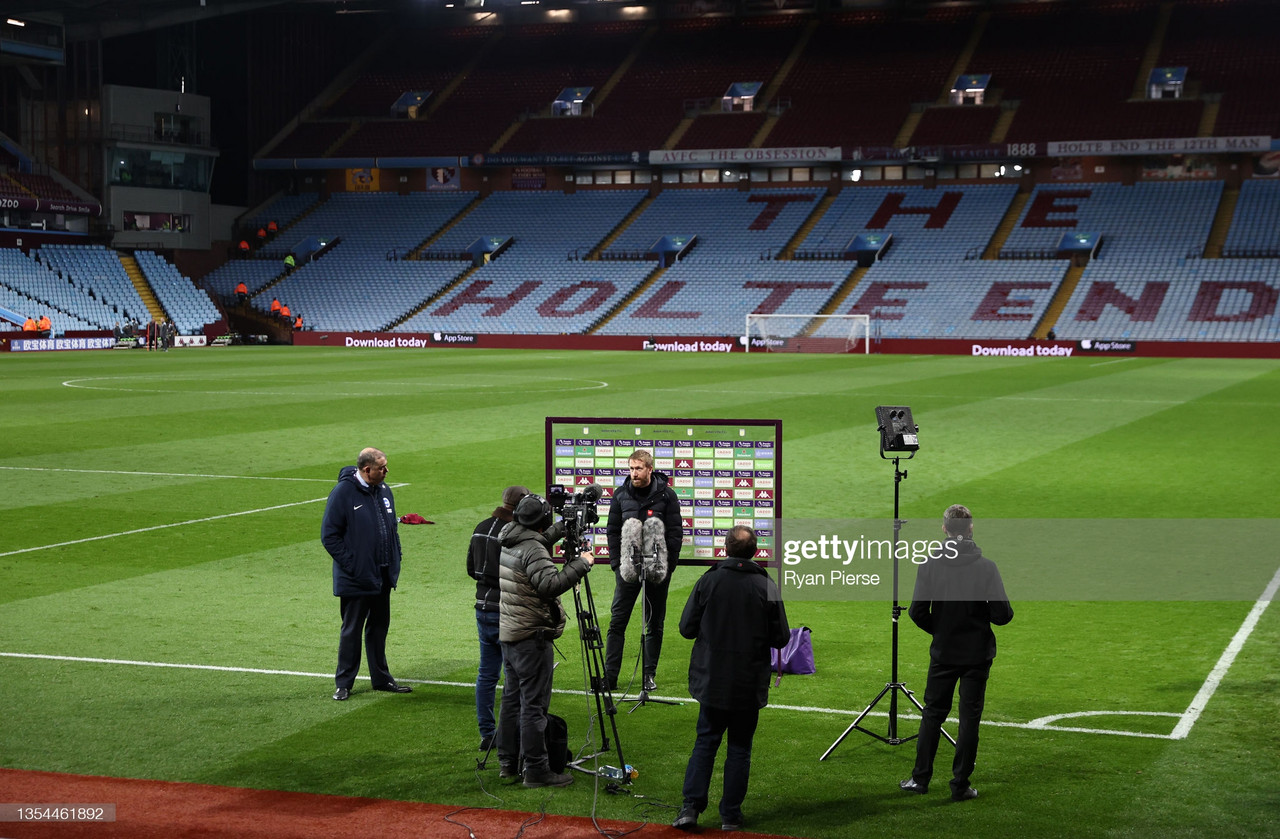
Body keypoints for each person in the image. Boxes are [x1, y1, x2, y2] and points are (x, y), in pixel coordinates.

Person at [673, 525, 789, 833]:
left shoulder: (709, 581)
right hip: (747, 682)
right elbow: (781, 638)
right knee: (740, 747)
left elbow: (686, 628)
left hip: (712, 679)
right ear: (754, 552)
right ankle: (730, 815)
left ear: (726, 548)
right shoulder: (766, 585)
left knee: (706, 741)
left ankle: (691, 808)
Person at [900, 504, 1013, 802]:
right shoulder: (986, 567)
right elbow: (1003, 615)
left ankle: (920, 779)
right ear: (971, 529)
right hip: (977, 655)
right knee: (969, 720)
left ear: (944, 529)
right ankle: (960, 784)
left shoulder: (930, 565)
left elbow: (917, 612)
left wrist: (942, 629)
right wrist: (977, 615)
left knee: (933, 715)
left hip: (944, 653)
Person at [497, 494, 595, 788]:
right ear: (541, 520)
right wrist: (582, 563)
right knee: (534, 707)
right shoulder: (532, 549)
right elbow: (549, 585)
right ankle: (537, 770)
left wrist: (563, 529)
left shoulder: (511, 538)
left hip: (511, 634)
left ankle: (508, 761)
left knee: (511, 702)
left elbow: (536, 546)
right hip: (532, 637)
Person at [321, 448, 411, 701]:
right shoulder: (344, 493)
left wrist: (396, 557)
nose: (386, 471)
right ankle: (344, 683)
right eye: (381, 467)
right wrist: (354, 566)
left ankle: (381, 679)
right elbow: (329, 535)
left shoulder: (384, 490)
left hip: (382, 573)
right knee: (352, 630)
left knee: (379, 628)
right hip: (357, 577)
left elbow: (391, 528)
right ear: (365, 469)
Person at [604, 449, 684, 691]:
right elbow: (612, 531)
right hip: (628, 571)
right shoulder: (620, 495)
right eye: (631, 469)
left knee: (654, 623)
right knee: (618, 622)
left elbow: (675, 533)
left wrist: (667, 567)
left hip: (657, 571)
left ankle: (649, 675)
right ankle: (610, 677)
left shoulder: (667, 496)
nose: (634, 473)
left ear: (650, 469)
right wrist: (617, 565)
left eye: (638, 468)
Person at [466, 485, 529, 751]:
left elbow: (471, 568)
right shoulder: (514, 533)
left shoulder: (481, 526)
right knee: (517, 676)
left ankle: (487, 733)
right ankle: (513, 736)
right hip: (507, 608)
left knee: (487, 675)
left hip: (483, 607)